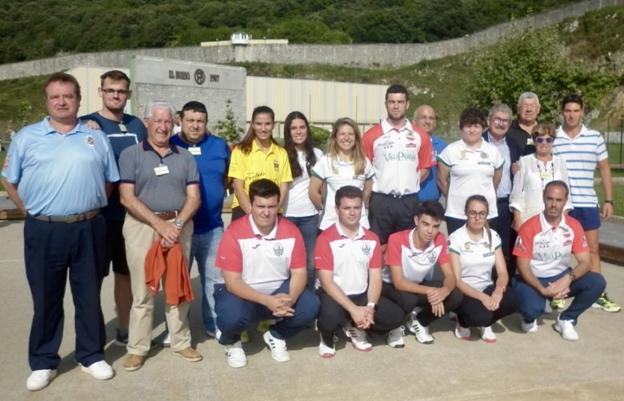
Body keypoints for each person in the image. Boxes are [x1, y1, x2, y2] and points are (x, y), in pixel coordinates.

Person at [1, 72, 118, 390]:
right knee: (46, 298)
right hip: (44, 230)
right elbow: (9, 178)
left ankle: (91, 355)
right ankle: (43, 361)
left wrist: (90, 206)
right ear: (47, 101)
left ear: (79, 100)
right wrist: (29, 211)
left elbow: (110, 179)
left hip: (89, 227)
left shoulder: (95, 136)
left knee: (89, 296)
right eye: (55, 96)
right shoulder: (27, 136)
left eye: (68, 95)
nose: (62, 101)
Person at [118, 101, 202, 372]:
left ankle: (180, 341)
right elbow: (126, 197)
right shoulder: (131, 154)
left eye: (168, 122)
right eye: (158, 120)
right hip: (142, 227)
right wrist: (158, 224)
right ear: (147, 122)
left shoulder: (184, 156)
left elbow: (194, 197)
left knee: (177, 287)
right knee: (143, 291)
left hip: (178, 225)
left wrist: (175, 225)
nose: (163, 126)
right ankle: (138, 348)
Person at [214, 179, 320, 368]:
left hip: (278, 292)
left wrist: (290, 298)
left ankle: (275, 335)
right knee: (230, 317)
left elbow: (299, 272)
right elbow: (232, 281)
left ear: (278, 205)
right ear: (251, 205)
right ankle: (231, 341)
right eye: (260, 206)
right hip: (243, 294)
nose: (266, 212)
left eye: (271, 206)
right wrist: (267, 301)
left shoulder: (291, 230)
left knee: (310, 305)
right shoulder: (234, 231)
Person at [81, 69, 147, 346]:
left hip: (129, 216)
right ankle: (92, 338)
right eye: (110, 90)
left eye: (121, 91)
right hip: (98, 216)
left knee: (125, 274)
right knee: (92, 278)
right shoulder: (85, 123)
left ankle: (123, 328)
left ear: (128, 94)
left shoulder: (137, 126)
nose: (116, 95)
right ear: (101, 92)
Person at [314, 186, 404, 357]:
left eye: (356, 207)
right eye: (347, 208)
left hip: (361, 293)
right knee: (329, 319)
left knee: (396, 317)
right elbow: (327, 283)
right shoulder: (325, 239)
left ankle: (355, 325)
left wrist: (370, 307)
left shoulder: (372, 238)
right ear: (337, 209)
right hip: (333, 294)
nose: (352, 213)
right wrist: (354, 309)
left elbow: (376, 277)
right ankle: (327, 337)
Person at [553, 94, 620, 313]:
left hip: (588, 203)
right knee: (561, 250)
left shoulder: (595, 137)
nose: (571, 115)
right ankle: (561, 292)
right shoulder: (554, 137)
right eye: (568, 111)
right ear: (562, 112)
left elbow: (604, 169)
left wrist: (608, 200)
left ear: (582, 112)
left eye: (576, 110)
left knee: (592, 250)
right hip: (562, 205)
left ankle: (598, 293)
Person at [513, 181, 605, 340]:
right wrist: (541, 290)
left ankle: (567, 319)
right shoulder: (529, 227)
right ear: (543, 199)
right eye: (550, 199)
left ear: (565, 201)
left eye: (559, 200)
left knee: (597, 282)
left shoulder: (574, 225)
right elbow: (522, 267)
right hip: (532, 279)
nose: (554, 204)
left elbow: (586, 262)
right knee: (532, 309)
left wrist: (567, 280)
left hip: (560, 276)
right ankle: (530, 317)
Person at [170, 100, 230, 338]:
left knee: (214, 282)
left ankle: (213, 323)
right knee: (177, 281)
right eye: (190, 120)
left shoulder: (219, 145)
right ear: (181, 121)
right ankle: (176, 329)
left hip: (213, 228)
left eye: (200, 121)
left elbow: (226, 178)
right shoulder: (170, 145)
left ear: (206, 123)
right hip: (181, 227)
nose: (195, 125)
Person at [382, 200, 462, 344]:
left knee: (455, 294)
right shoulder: (396, 239)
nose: (430, 231)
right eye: (425, 224)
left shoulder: (440, 239)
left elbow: (450, 275)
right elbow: (399, 282)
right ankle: (395, 327)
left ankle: (420, 320)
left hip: (417, 285)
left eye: (435, 226)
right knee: (408, 300)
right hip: (390, 286)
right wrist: (432, 291)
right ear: (416, 220)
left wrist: (444, 290)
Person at [362, 84, 433, 247]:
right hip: (381, 201)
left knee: (406, 249)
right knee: (378, 248)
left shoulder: (420, 135)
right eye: (391, 101)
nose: (395, 106)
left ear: (407, 104)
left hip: (409, 201)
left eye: (400, 102)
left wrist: (409, 182)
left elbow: (425, 169)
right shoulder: (370, 135)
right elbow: (365, 170)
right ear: (386, 104)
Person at [449, 195, 519, 343]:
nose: (477, 218)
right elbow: (457, 280)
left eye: (482, 213)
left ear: (487, 215)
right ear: (466, 213)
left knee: (514, 300)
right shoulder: (456, 238)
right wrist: (482, 298)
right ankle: (462, 321)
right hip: (465, 291)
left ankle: (486, 323)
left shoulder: (493, 236)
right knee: (481, 316)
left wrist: (498, 290)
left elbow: (502, 272)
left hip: (487, 287)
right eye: (472, 213)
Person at [438, 107, 504, 235]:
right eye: (468, 126)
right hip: (457, 214)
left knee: (486, 250)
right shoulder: (450, 151)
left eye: (476, 126)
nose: (472, 130)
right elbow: (442, 180)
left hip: (486, 214)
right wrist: (454, 197)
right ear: (461, 127)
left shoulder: (493, 151)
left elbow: (496, 180)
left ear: (483, 128)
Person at [228, 105, 292, 221]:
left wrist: (274, 211)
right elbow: (238, 187)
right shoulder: (240, 151)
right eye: (258, 124)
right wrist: (254, 215)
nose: (263, 128)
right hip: (244, 211)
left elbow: (283, 187)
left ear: (273, 125)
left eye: (267, 124)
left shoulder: (281, 153)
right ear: (252, 125)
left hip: (271, 212)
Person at [309, 117, 374, 230]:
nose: (346, 138)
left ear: (356, 137)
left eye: (350, 134)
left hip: (359, 224)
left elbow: (367, 192)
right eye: (342, 134)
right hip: (330, 224)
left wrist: (355, 209)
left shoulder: (364, 162)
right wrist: (328, 209)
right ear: (335, 137)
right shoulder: (326, 161)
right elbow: (312, 192)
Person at [282, 111, 323, 288]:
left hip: (310, 216)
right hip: (287, 215)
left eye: (302, 127)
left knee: (310, 264)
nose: (298, 132)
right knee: (287, 264)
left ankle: (310, 303)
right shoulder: (281, 154)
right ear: (288, 132)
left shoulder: (318, 154)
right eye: (293, 128)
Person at [481, 103, 522, 275]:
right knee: (482, 246)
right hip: (482, 205)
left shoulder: (514, 146)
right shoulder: (478, 141)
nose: (501, 123)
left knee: (504, 248)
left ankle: (504, 286)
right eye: (497, 119)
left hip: (505, 205)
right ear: (489, 121)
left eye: (506, 120)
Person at [510, 122, 572, 229]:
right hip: (529, 221)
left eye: (548, 140)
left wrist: (561, 222)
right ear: (534, 141)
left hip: (555, 222)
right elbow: (516, 196)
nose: (544, 143)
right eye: (540, 140)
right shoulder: (524, 162)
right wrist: (518, 221)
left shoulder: (561, 163)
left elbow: (567, 196)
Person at [413, 105, 448, 203]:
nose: (428, 121)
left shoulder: (442, 146)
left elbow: (445, 178)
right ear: (414, 121)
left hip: (432, 204)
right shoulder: (405, 143)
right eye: (423, 117)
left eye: (431, 118)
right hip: (408, 203)